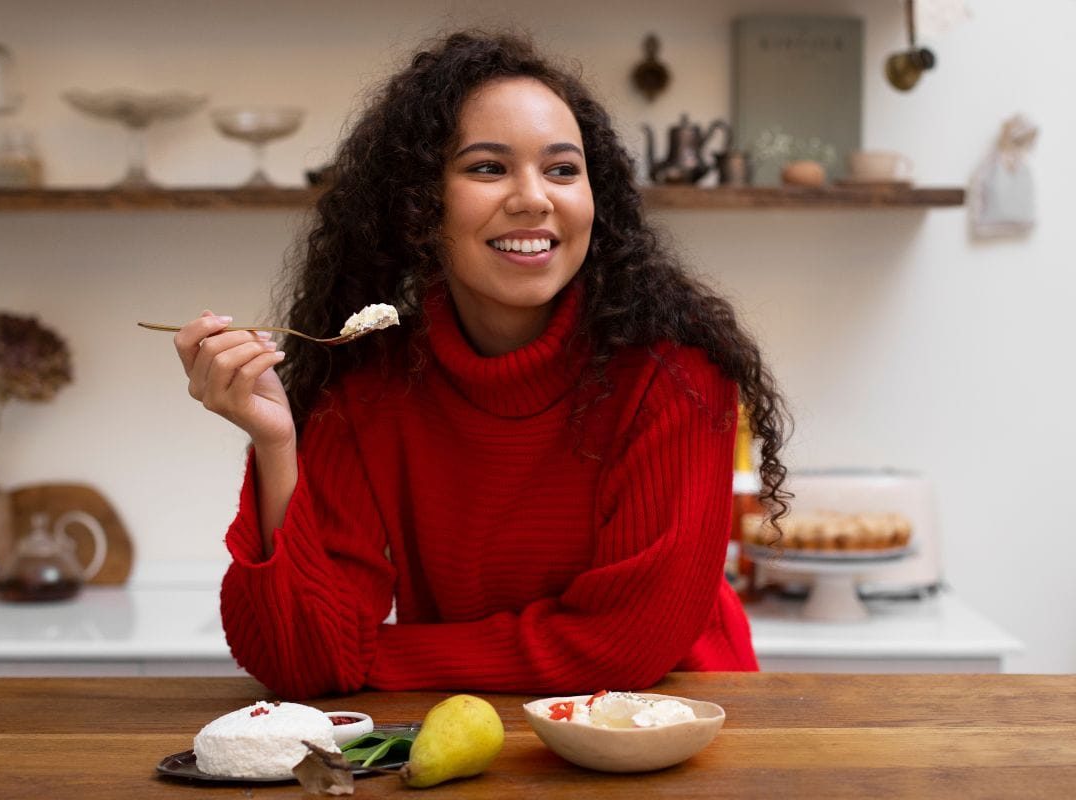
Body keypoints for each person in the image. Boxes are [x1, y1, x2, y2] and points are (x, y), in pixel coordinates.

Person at [173, 31, 790, 699]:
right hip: (479, 740)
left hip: (678, 734)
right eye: (488, 168)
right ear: (420, 204)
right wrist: (275, 444)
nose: (535, 198)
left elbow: (621, 648)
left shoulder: (675, 374)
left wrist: (368, 661)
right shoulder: (368, 387)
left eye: (562, 170)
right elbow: (300, 658)